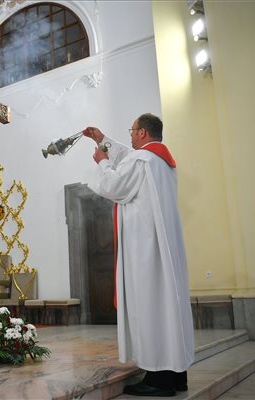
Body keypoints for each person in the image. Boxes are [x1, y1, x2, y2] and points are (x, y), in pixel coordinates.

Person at [84, 113, 194, 397]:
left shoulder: (142, 160)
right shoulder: (160, 161)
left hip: (146, 248)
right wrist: (102, 140)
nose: (131, 136)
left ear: (143, 133)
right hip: (162, 247)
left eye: (132, 131)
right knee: (167, 307)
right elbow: (127, 157)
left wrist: (102, 161)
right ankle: (176, 376)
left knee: (150, 306)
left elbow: (114, 186)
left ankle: (158, 380)